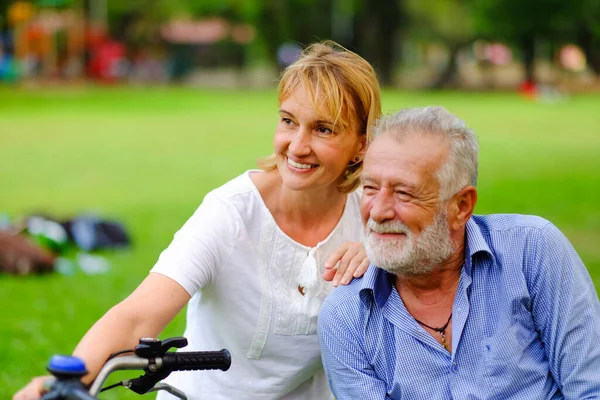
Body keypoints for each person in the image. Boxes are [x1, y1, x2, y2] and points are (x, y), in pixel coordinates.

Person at [14, 41, 382, 400]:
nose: (297, 145)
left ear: (362, 145)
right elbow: (138, 316)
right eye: (289, 121)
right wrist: (62, 381)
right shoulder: (230, 211)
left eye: (323, 129)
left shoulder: (373, 214)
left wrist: (380, 258)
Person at [318, 106, 600, 399]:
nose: (377, 211)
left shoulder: (532, 251)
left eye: (404, 193)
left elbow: (591, 387)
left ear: (462, 206)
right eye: (371, 188)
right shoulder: (346, 317)